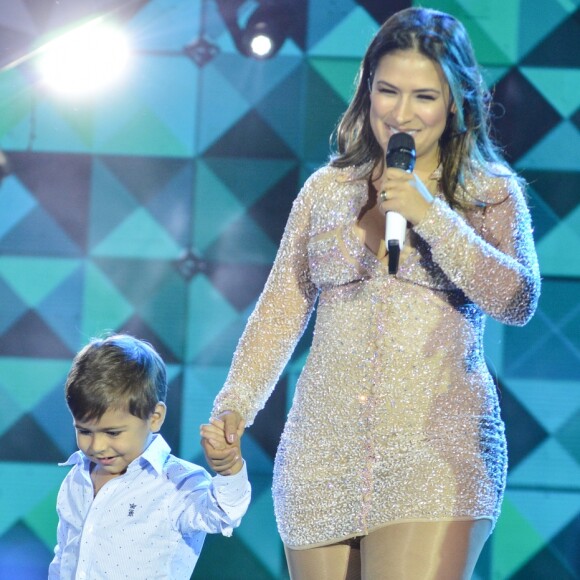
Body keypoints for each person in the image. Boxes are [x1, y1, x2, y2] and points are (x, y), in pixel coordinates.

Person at [205, 6, 540, 579]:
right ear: (366, 90)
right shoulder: (326, 190)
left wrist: (430, 216)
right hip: (320, 453)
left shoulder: (490, 192)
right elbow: (280, 310)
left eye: (424, 97)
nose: (402, 114)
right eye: (388, 91)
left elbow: (517, 299)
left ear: (456, 101)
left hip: (435, 451)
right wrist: (234, 404)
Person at [48, 334, 251, 580]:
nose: (97, 446)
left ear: (154, 417)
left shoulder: (177, 482)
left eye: (113, 433)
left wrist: (229, 470)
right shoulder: (77, 477)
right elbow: (64, 556)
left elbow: (222, 514)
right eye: (84, 431)